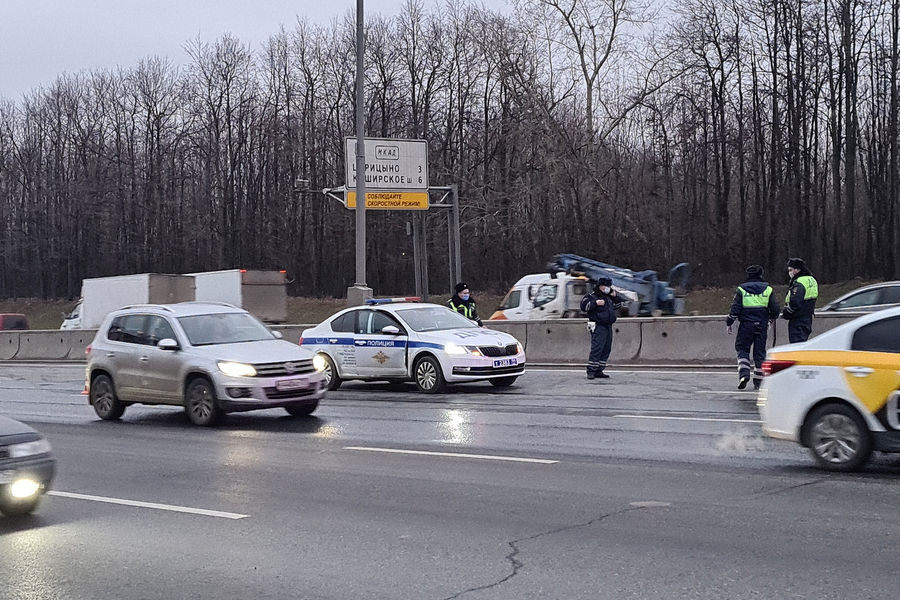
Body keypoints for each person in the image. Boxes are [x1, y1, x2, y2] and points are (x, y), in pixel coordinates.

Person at [726, 265, 780, 390]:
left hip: (746, 325)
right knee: (760, 353)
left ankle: (744, 375)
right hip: (761, 325)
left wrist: (729, 322)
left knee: (742, 349)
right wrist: (772, 318)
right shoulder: (768, 289)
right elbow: (775, 308)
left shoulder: (742, 289)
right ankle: (759, 382)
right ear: (761, 275)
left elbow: (735, 308)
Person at [580, 277, 622, 380]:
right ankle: (591, 370)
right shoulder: (592, 296)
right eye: (606, 286)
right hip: (598, 325)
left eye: (609, 286)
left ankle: (599, 370)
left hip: (608, 325)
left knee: (606, 348)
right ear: (600, 286)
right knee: (597, 348)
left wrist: (615, 297)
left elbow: (618, 306)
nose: (607, 288)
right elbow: (583, 306)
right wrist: (595, 303)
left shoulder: (608, 297)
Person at [781, 258, 818, 343]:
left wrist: (787, 312)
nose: (789, 272)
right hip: (808, 317)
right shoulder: (811, 280)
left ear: (797, 270)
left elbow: (795, 301)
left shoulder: (800, 282)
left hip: (798, 319)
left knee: (796, 345)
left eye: (791, 270)